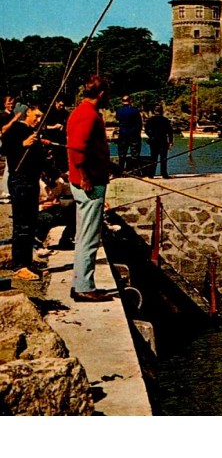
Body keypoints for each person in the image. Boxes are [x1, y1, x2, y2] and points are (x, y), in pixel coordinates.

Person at [66, 75, 115, 302]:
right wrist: (85, 176)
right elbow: (76, 149)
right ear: (102, 94)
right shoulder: (88, 115)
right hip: (89, 184)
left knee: (83, 235)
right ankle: (84, 286)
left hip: (87, 179)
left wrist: (108, 164)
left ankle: (81, 282)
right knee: (89, 237)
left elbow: (83, 148)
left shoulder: (80, 111)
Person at [2, 106, 49, 280]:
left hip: (32, 181)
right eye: (36, 116)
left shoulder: (34, 132)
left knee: (30, 223)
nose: (38, 120)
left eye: (41, 117)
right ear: (28, 112)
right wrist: (23, 144)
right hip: (19, 181)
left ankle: (27, 263)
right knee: (21, 224)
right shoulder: (16, 129)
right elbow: (4, 149)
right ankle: (19, 265)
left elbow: (40, 159)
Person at [144, 104, 174, 179]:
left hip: (154, 141)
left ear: (154, 111)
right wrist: (170, 141)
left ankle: (151, 174)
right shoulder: (165, 120)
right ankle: (164, 174)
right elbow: (170, 131)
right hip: (163, 140)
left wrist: (151, 136)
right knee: (163, 158)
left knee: (153, 158)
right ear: (162, 111)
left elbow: (146, 130)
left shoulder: (151, 120)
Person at [0, 95, 20, 201]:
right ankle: (6, 191)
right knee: (9, 168)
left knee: (10, 167)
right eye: (9, 103)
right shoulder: (3, 115)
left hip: (14, 143)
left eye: (12, 103)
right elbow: (3, 129)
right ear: (4, 104)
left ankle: (8, 190)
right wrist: (14, 120)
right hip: (7, 144)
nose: (11, 105)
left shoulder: (12, 114)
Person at [115, 94, 142, 172]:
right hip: (133, 133)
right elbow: (139, 123)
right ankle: (134, 170)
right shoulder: (135, 110)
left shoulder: (119, 110)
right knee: (135, 153)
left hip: (123, 133)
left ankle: (120, 170)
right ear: (130, 101)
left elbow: (118, 119)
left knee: (122, 153)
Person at [42, 98, 69, 172]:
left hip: (60, 137)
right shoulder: (49, 112)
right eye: (60, 105)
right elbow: (43, 127)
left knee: (62, 156)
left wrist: (64, 127)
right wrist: (54, 127)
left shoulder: (65, 113)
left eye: (63, 106)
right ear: (56, 103)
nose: (61, 107)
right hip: (49, 136)